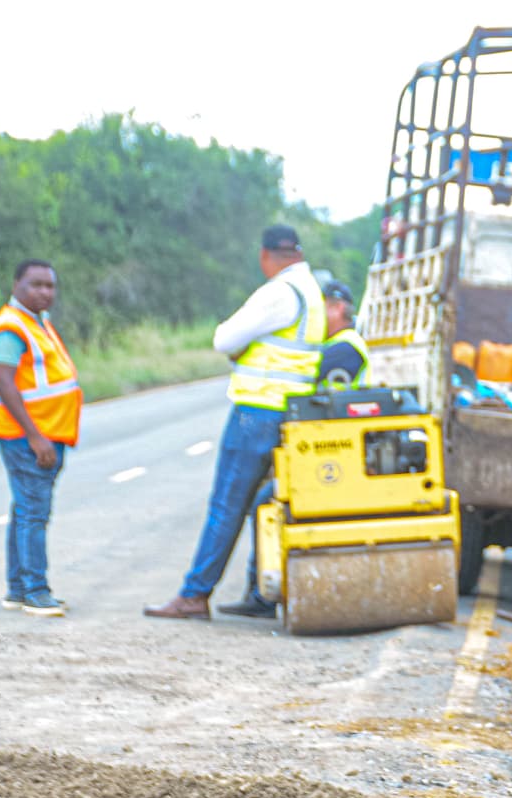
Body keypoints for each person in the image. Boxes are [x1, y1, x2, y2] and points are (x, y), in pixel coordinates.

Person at [144, 225, 325, 621]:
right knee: (267, 505)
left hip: (256, 412)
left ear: (265, 256)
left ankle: (194, 595)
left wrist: (240, 348)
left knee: (227, 504)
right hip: (291, 414)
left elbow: (224, 339)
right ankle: (263, 594)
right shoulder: (311, 291)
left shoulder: (279, 292)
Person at [221, 272, 372, 621]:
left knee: (265, 503)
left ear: (338, 309)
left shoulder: (344, 349)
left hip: (335, 454)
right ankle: (263, 591)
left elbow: (310, 396)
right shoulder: (341, 346)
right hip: (332, 450)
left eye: (323, 309)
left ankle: (263, 595)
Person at [0, 259, 81, 618]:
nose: (45, 292)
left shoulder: (36, 322)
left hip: (46, 431)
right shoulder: (10, 327)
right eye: (36, 285)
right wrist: (36, 438)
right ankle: (36, 592)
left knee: (25, 509)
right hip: (27, 436)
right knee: (34, 513)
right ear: (17, 285)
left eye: (50, 286)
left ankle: (18, 588)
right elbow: (5, 383)